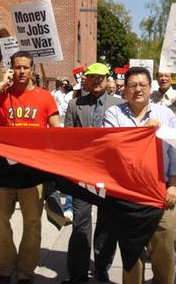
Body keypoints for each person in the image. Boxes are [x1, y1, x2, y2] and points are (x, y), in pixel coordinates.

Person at [0, 51, 59, 284]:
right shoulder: (1, 95)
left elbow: (56, 131)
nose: (21, 72)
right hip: (2, 169)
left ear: (32, 70)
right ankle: (6, 267)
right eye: (16, 67)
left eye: (25, 68)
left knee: (32, 223)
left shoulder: (45, 97)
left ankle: (26, 271)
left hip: (32, 170)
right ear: (11, 68)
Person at [103, 67, 176, 284]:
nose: (138, 90)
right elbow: (113, 147)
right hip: (127, 195)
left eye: (142, 85)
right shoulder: (114, 114)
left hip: (161, 194)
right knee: (131, 255)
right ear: (125, 90)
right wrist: (143, 134)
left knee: (165, 249)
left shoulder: (165, 115)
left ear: (150, 88)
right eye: (132, 86)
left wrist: (173, 186)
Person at [63, 62, 124, 284]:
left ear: (107, 80)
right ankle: (77, 273)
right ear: (86, 80)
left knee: (107, 224)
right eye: (92, 77)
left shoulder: (120, 104)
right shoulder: (74, 105)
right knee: (80, 221)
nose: (96, 81)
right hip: (83, 173)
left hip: (110, 174)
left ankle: (102, 268)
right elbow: (67, 140)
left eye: (100, 77)